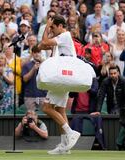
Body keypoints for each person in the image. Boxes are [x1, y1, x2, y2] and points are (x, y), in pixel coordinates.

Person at [38, 15, 80, 154]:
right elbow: (42, 45)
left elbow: (44, 41)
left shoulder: (65, 35)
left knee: (46, 107)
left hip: (62, 80)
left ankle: (70, 133)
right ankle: (65, 146)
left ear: (61, 26)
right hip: (63, 79)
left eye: (54, 27)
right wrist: (49, 30)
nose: (53, 30)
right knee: (60, 110)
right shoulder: (60, 41)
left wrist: (46, 27)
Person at [22, 45, 47, 111]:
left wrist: (42, 63)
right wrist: (33, 69)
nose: (37, 54)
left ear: (41, 53)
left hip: (44, 95)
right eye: (35, 52)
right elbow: (25, 79)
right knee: (30, 117)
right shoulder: (27, 65)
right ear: (32, 54)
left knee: (44, 117)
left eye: (38, 52)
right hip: (30, 96)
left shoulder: (46, 64)